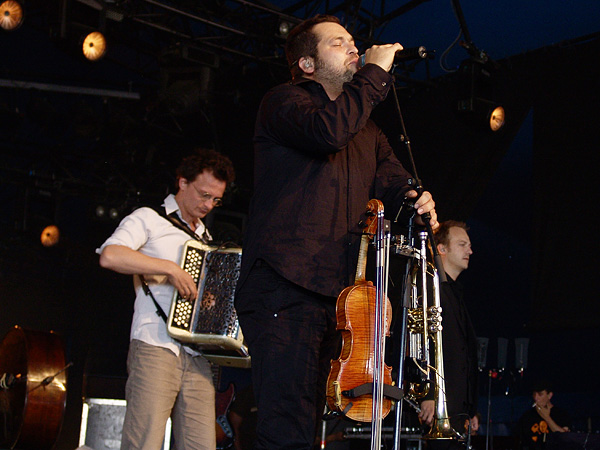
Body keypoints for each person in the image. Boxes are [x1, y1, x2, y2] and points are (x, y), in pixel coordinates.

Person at [234, 14, 438, 450]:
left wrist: (417, 200)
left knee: (312, 427)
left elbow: (395, 181)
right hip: (282, 285)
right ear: (307, 64)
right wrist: (374, 73)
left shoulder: (367, 129)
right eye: (337, 42)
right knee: (286, 423)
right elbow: (326, 132)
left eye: (352, 40)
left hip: (337, 297)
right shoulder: (284, 101)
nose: (353, 47)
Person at [97, 149, 235, 450]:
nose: (208, 204)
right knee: (144, 442)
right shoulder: (150, 218)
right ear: (182, 182)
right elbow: (110, 256)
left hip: (198, 356)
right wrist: (170, 269)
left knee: (202, 445)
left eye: (215, 200)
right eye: (203, 194)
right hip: (155, 346)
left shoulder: (207, 240)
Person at [419, 220, 478, 442]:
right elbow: (419, 343)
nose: (470, 251)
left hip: (456, 410)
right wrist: (427, 395)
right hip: (437, 407)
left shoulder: (456, 294)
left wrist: (471, 409)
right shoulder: (427, 287)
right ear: (441, 249)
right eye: (462, 244)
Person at [515, 380, 571, 450]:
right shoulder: (527, 416)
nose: (536, 398)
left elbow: (565, 438)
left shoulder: (561, 414)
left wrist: (547, 418)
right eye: (534, 394)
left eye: (540, 394)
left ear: (549, 395)